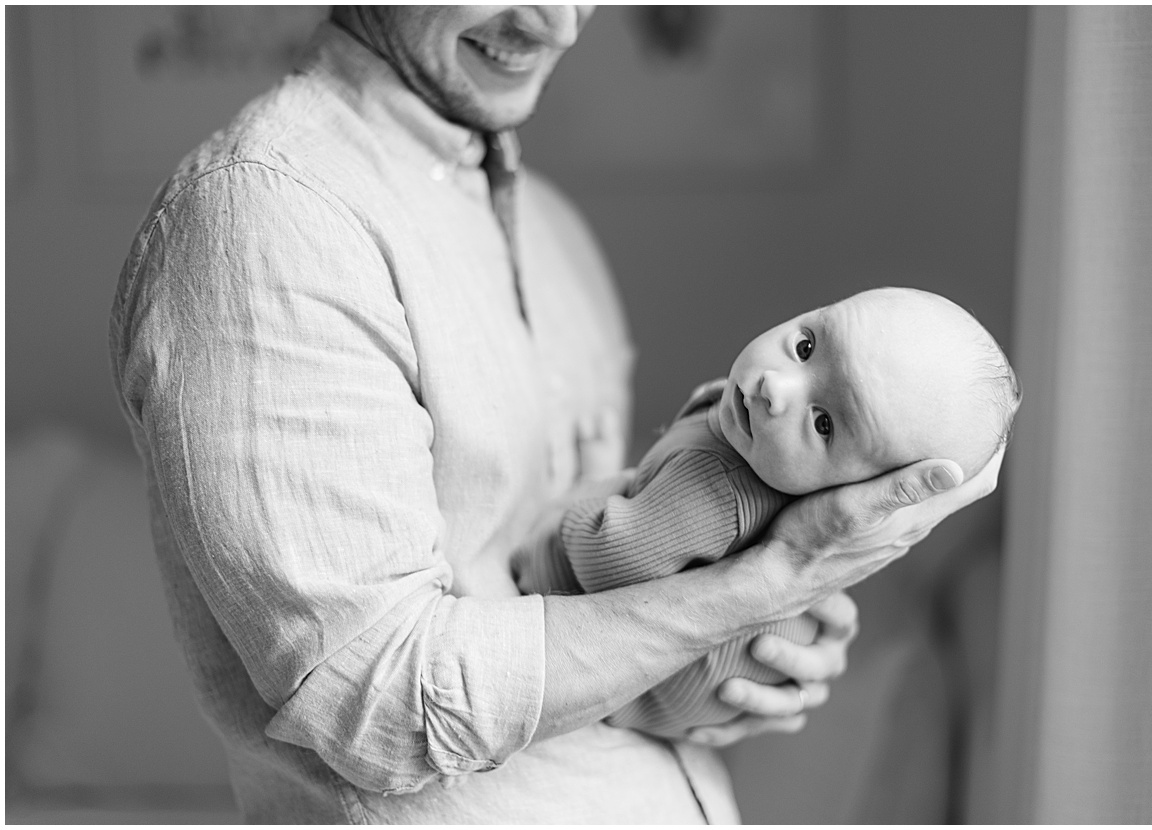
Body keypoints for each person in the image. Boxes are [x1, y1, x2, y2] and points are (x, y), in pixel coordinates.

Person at [107, 7, 1000, 823]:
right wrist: (761, 590)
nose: (557, 21)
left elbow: (619, 629)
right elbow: (379, 700)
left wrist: (740, 677)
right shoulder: (264, 218)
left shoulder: (558, 236)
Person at [515, 287, 1019, 738]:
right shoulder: (757, 437)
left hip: (664, 692)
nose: (777, 388)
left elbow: (610, 559)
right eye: (806, 346)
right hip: (737, 673)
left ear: (862, 492)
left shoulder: (715, 490)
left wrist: (567, 512)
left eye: (824, 424)